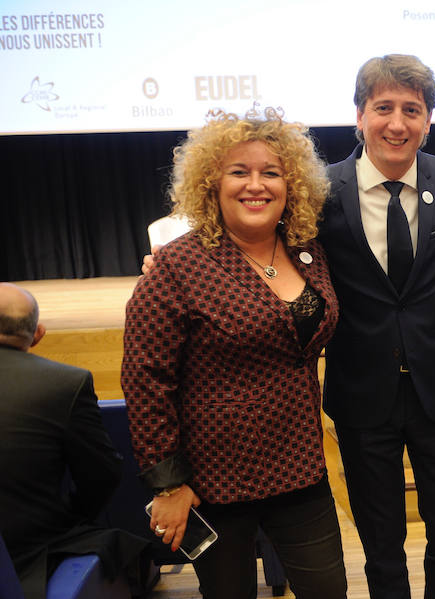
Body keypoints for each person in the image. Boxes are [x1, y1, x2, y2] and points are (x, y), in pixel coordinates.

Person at [121, 107, 347, 599]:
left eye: (271, 172)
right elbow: (145, 380)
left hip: (300, 467)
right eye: (239, 172)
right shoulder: (176, 267)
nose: (256, 185)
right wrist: (168, 485)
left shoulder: (306, 249)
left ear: (292, 186)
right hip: (217, 481)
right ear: (211, 184)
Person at [316, 55, 435, 598]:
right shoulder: (317, 193)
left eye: (412, 109)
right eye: (383, 107)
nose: (397, 123)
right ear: (358, 116)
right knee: (382, 548)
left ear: (428, 121)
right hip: (363, 398)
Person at [0, 283, 148, 599]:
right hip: (29, 552)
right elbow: (102, 475)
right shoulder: (63, 383)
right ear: (38, 334)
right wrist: (72, 516)